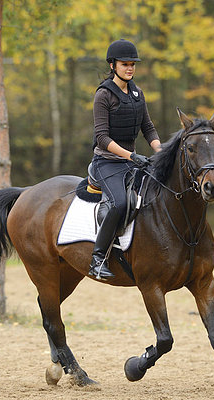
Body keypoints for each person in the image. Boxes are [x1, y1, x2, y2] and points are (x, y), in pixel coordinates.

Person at [88, 39, 161, 281]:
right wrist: (130, 155)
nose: (130, 68)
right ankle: (98, 258)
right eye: (125, 64)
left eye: (132, 64)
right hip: (107, 163)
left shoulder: (138, 94)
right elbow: (101, 137)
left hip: (132, 162)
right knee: (120, 203)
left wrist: (161, 151)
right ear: (112, 65)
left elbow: (148, 128)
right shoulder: (103, 95)